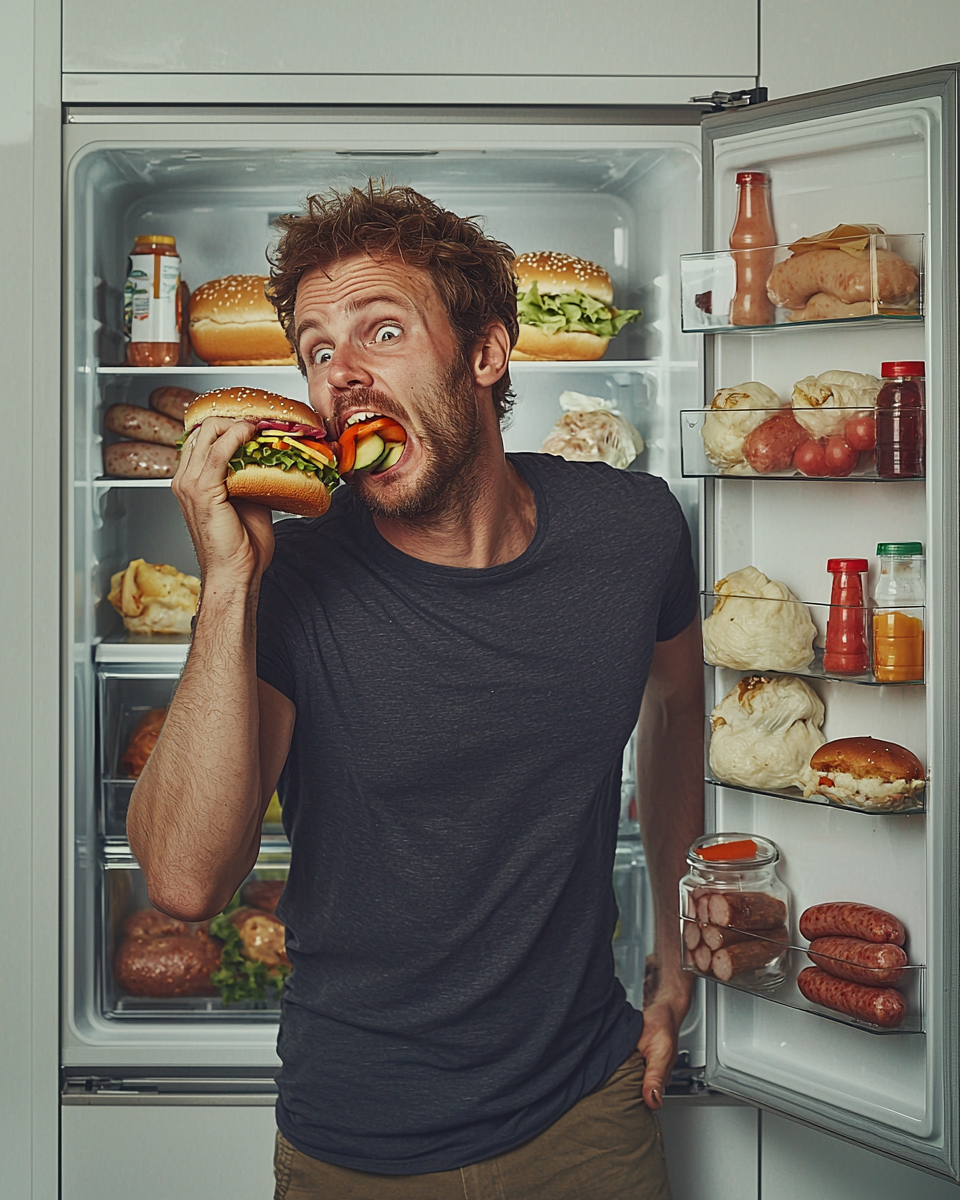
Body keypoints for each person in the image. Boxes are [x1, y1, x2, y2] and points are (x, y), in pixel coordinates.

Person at [127, 181, 703, 1200]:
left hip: (592, 1114)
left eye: (381, 329)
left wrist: (672, 948)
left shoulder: (634, 530)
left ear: (485, 354)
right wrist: (229, 579)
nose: (340, 373)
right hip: (355, 1141)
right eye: (314, 349)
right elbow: (183, 882)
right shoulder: (294, 581)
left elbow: (675, 706)